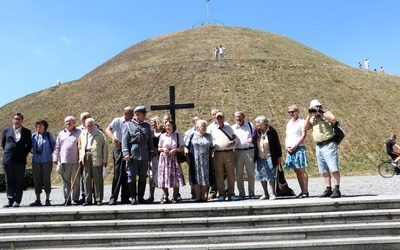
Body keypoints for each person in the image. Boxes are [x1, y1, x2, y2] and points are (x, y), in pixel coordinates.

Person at [305, 99, 341, 198]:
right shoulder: (313, 119)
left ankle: (337, 189)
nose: (314, 110)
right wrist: (309, 115)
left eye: (315, 107)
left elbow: (332, 120)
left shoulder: (326, 114)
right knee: (324, 169)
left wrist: (321, 113)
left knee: (333, 168)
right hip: (319, 146)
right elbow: (305, 127)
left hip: (329, 144)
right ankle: (328, 188)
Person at [122, 106, 154, 205]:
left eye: (145, 113)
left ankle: (140, 197)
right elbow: (125, 140)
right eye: (143, 113)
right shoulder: (128, 125)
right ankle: (133, 197)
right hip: (133, 153)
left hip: (144, 154)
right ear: (137, 114)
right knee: (131, 176)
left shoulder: (146, 126)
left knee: (143, 176)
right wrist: (126, 153)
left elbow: (150, 140)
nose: (145, 115)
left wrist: (151, 151)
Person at [1, 113, 32, 208]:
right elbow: (3, 143)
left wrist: (23, 154)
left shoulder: (27, 131)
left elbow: (29, 145)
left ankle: (17, 201)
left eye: (19, 119)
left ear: (22, 120)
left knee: (19, 181)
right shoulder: (6, 130)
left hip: (20, 160)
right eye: (15, 119)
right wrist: (9, 151)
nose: (17, 121)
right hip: (8, 159)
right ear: (12, 120)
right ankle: (10, 199)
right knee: (9, 180)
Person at [248, 115, 282, 200]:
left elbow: (277, 145)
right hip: (260, 157)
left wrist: (279, 157)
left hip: (270, 156)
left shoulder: (271, 131)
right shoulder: (257, 131)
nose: (256, 124)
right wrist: (251, 139)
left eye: (258, 122)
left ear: (263, 123)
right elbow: (252, 137)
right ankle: (265, 193)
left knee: (271, 175)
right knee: (261, 175)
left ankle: (273, 193)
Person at [106, 106, 134, 205]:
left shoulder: (132, 122)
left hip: (130, 148)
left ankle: (125, 197)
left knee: (128, 173)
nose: (132, 115)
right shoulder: (118, 120)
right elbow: (108, 130)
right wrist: (114, 139)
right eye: (131, 113)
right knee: (118, 172)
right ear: (125, 113)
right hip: (119, 147)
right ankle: (113, 197)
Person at [209, 112, 238, 201]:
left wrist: (233, 142)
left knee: (231, 174)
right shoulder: (212, 129)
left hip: (229, 153)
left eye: (221, 118)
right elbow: (209, 141)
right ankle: (221, 194)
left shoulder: (229, 128)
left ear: (224, 119)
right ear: (215, 120)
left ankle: (231, 193)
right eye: (218, 118)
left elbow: (235, 138)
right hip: (218, 153)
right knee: (219, 174)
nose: (220, 120)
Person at [78, 118, 108, 206]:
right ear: (85, 125)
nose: (89, 127)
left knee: (97, 179)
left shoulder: (99, 134)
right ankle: (88, 199)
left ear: (94, 125)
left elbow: (105, 148)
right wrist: (80, 158)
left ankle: (98, 199)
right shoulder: (82, 134)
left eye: (91, 125)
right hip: (86, 156)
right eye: (88, 125)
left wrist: (105, 160)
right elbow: (80, 147)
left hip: (97, 157)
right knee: (86, 178)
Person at [53, 116, 81, 205]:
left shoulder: (79, 132)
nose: (68, 123)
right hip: (64, 160)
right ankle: (67, 199)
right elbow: (57, 146)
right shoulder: (61, 133)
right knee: (66, 181)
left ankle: (75, 198)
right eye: (66, 121)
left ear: (74, 123)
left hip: (76, 160)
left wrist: (81, 157)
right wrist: (55, 157)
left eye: (70, 121)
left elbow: (82, 146)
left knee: (76, 180)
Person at [284, 105, 309, 198]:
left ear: (297, 111)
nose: (291, 114)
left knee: (302, 170)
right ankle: (302, 190)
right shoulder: (289, 123)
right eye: (289, 112)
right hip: (290, 148)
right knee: (296, 170)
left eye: (293, 111)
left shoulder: (302, 122)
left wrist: (295, 145)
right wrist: (286, 146)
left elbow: (303, 136)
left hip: (298, 147)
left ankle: (306, 191)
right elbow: (287, 135)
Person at [157, 120, 186, 203]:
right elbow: (159, 148)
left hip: (174, 159)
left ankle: (175, 196)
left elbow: (182, 147)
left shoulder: (177, 135)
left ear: (173, 126)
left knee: (176, 177)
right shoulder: (162, 136)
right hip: (164, 159)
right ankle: (165, 196)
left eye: (169, 125)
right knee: (163, 177)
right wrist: (163, 149)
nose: (167, 127)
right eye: (166, 126)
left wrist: (175, 150)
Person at [186, 119, 214, 202]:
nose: (204, 127)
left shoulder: (209, 136)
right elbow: (185, 146)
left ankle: (203, 195)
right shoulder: (191, 135)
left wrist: (212, 157)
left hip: (206, 160)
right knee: (196, 177)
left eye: (205, 126)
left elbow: (212, 147)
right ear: (197, 127)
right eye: (203, 126)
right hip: (195, 160)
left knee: (205, 177)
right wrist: (187, 156)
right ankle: (197, 195)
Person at [30, 119, 56, 206]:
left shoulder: (49, 135)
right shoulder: (33, 136)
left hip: (46, 160)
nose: (39, 126)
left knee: (46, 179)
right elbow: (30, 147)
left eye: (40, 125)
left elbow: (54, 146)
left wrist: (48, 153)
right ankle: (38, 200)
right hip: (36, 161)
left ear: (45, 126)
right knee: (37, 179)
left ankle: (47, 199)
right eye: (37, 125)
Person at [231, 111, 255, 199]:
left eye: (240, 116)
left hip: (249, 151)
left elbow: (255, 134)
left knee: (251, 173)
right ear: (234, 118)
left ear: (244, 117)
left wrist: (252, 138)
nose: (238, 118)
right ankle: (241, 193)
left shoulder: (249, 125)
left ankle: (251, 192)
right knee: (239, 173)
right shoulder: (232, 128)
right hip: (237, 152)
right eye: (237, 117)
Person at [146, 116, 165, 203]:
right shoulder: (151, 133)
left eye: (152, 122)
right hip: (153, 157)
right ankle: (151, 196)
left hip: (162, 157)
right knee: (151, 176)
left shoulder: (164, 132)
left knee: (162, 176)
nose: (151, 124)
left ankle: (164, 195)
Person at [77, 111, 91, 203]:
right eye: (86, 117)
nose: (88, 118)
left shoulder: (95, 127)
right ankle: (84, 195)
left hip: (92, 154)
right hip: (82, 155)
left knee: (93, 176)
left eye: (89, 117)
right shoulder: (78, 130)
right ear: (82, 119)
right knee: (83, 176)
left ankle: (92, 194)